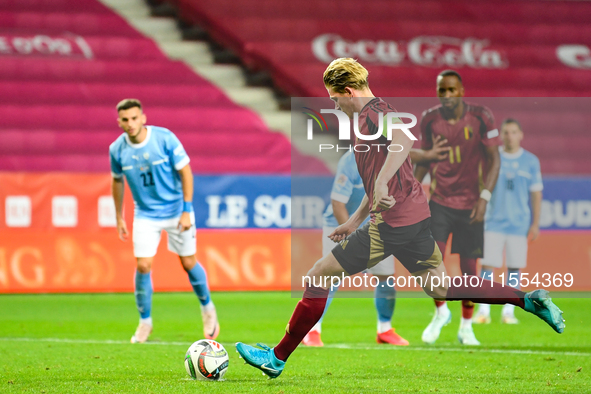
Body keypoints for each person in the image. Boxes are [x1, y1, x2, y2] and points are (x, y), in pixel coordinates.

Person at [235, 58, 564, 379]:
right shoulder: (369, 117)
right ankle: (528, 300)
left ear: (349, 91)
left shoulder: (374, 112)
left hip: (393, 223)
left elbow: (404, 141)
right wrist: (354, 221)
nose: (334, 106)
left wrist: (380, 182)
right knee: (441, 287)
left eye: (335, 99)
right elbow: (378, 177)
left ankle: (276, 357)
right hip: (412, 217)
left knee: (318, 276)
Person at [303, 142, 449, 347]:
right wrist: (349, 239)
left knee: (386, 277)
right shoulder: (350, 162)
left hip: (376, 225)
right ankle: (312, 330)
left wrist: (428, 154)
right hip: (340, 224)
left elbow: (406, 154)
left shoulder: (385, 158)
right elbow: (337, 203)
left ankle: (385, 329)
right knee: (329, 277)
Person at [109, 98, 219, 343]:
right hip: (145, 213)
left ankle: (207, 308)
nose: (130, 123)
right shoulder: (117, 149)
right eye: (125, 120)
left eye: (134, 118)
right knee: (143, 265)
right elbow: (117, 180)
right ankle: (145, 322)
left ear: (143, 118)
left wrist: (187, 209)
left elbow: (185, 171)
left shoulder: (164, 138)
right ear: (119, 122)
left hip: (176, 209)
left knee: (188, 262)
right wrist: (118, 215)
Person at [415, 70, 501, 346]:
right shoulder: (429, 119)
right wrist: (410, 191)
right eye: (442, 90)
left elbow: (494, 160)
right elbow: (425, 161)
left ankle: (466, 326)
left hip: (471, 205)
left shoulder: (481, 117)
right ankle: (441, 312)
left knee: (468, 270)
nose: (447, 95)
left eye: (452, 90)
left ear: (462, 90)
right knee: (430, 262)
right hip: (439, 202)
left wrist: (485, 198)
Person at [474, 118, 543, 324]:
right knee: (487, 266)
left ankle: (508, 312)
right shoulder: (492, 159)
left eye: (513, 132)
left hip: (518, 224)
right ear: (501, 135)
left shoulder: (531, 161)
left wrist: (535, 223)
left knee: (514, 267)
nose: (509, 136)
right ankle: (483, 311)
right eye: (506, 132)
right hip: (493, 221)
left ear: (520, 135)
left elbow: (536, 194)